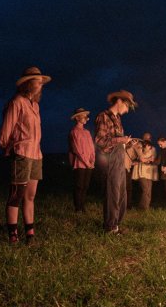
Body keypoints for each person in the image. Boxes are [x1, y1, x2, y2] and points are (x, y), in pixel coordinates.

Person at [0, 67, 51, 244]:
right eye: (37, 80)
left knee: (30, 195)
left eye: (41, 81)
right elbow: (6, 129)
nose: (40, 84)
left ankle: (30, 233)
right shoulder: (17, 102)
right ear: (28, 83)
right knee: (16, 195)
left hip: (36, 154)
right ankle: (13, 234)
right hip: (21, 152)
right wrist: (8, 148)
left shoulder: (35, 105)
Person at [94, 90, 138, 234]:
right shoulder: (103, 116)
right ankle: (109, 226)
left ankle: (116, 225)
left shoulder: (117, 119)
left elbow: (119, 142)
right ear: (119, 101)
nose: (127, 110)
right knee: (112, 192)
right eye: (127, 106)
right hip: (110, 159)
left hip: (120, 159)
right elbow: (99, 141)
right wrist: (121, 140)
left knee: (121, 193)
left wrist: (128, 143)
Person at [68, 108, 95, 213]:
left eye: (86, 116)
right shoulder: (74, 132)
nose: (86, 118)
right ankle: (78, 208)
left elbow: (92, 147)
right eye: (84, 116)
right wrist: (86, 162)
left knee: (85, 186)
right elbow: (77, 150)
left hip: (88, 163)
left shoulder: (87, 132)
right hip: (79, 163)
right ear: (77, 117)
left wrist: (92, 160)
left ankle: (82, 206)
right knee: (79, 186)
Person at [132, 133, 158, 210]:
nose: (146, 140)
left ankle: (146, 206)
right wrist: (146, 159)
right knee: (145, 189)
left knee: (149, 190)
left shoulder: (153, 149)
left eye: (148, 138)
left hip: (149, 172)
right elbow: (141, 158)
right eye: (145, 138)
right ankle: (142, 207)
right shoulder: (139, 147)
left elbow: (152, 158)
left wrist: (146, 159)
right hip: (141, 172)